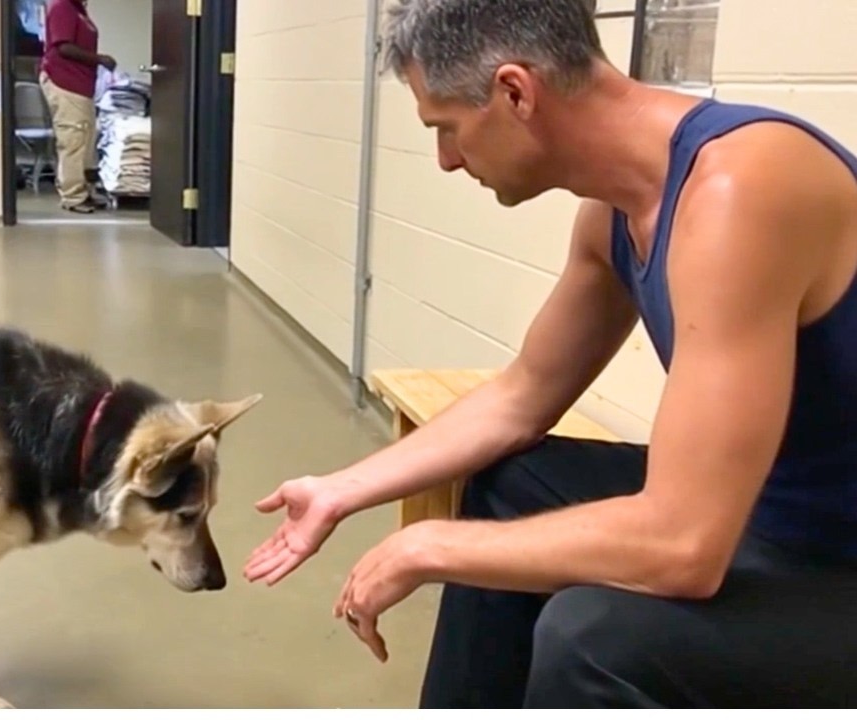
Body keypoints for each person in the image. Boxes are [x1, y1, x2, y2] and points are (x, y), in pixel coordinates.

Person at [243, 0, 857, 709]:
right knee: (516, 479)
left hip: (833, 564)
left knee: (594, 638)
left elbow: (684, 545)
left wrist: (426, 547)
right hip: (772, 516)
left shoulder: (737, 191)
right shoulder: (616, 211)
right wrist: (341, 491)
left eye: (446, 128)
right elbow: (523, 396)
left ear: (514, 92)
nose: (445, 161)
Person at [39, 0, 116, 213]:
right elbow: (63, 47)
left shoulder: (77, 10)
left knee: (86, 138)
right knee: (73, 139)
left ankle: (85, 190)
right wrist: (99, 59)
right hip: (65, 80)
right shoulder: (62, 6)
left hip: (81, 84)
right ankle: (73, 196)